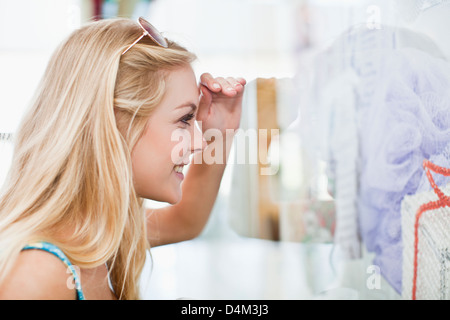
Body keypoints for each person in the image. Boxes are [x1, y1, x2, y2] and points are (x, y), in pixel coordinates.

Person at [0, 17, 246, 300]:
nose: (199, 142)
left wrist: (222, 131)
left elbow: (186, 221)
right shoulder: (37, 274)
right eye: (184, 119)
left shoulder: (97, 231)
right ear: (113, 124)